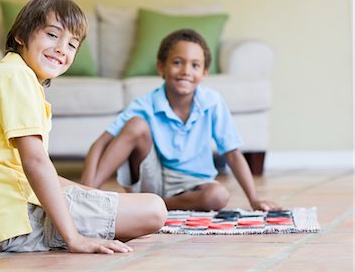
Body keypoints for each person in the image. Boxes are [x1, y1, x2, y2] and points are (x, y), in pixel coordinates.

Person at [0, 0, 167, 254]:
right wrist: (74, 238)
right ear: (20, 35)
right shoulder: (16, 79)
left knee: (131, 205)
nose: (62, 48)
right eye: (53, 35)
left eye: (72, 44)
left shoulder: (11, 75)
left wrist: (91, 194)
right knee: (153, 209)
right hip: (12, 224)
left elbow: (30, 171)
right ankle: (73, 233)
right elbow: (36, 163)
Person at [81, 29, 280, 212]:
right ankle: (89, 200)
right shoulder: (146, 104)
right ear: (161, 67)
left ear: (203, 74)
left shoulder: (212, 103)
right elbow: (99, 144)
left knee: (218, 196)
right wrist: (85, 192)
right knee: (136, 125)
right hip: (153, 179)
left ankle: (156, 206)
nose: (186, 70)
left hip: (194, 184)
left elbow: (233, 154)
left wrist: (254, 199)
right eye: (177, 62)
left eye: (195, 65)